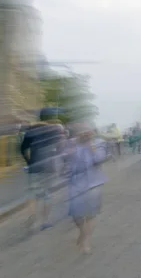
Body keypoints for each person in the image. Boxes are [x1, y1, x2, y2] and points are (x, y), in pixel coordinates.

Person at [20, 108, 67, 230]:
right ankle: (45, 221)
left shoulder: (31, 129)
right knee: (47, 194)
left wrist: (29, 161)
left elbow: (23, 148)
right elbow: (61, 147)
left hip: (34, 165)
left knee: (32, 193)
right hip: (49, 166)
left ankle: (32, 215)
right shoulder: (56, 129)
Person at [66, 123, 108, 254]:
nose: (84, 133)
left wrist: (90, 145)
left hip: (93, 184)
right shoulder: (72, 143)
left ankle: (86, 241)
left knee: (90, 215)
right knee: (76, 215)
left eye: (87, 130)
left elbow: (99, 159)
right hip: (75, 184)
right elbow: (64, 159)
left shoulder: (99, 142)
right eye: (81, 131)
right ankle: (82, 233)